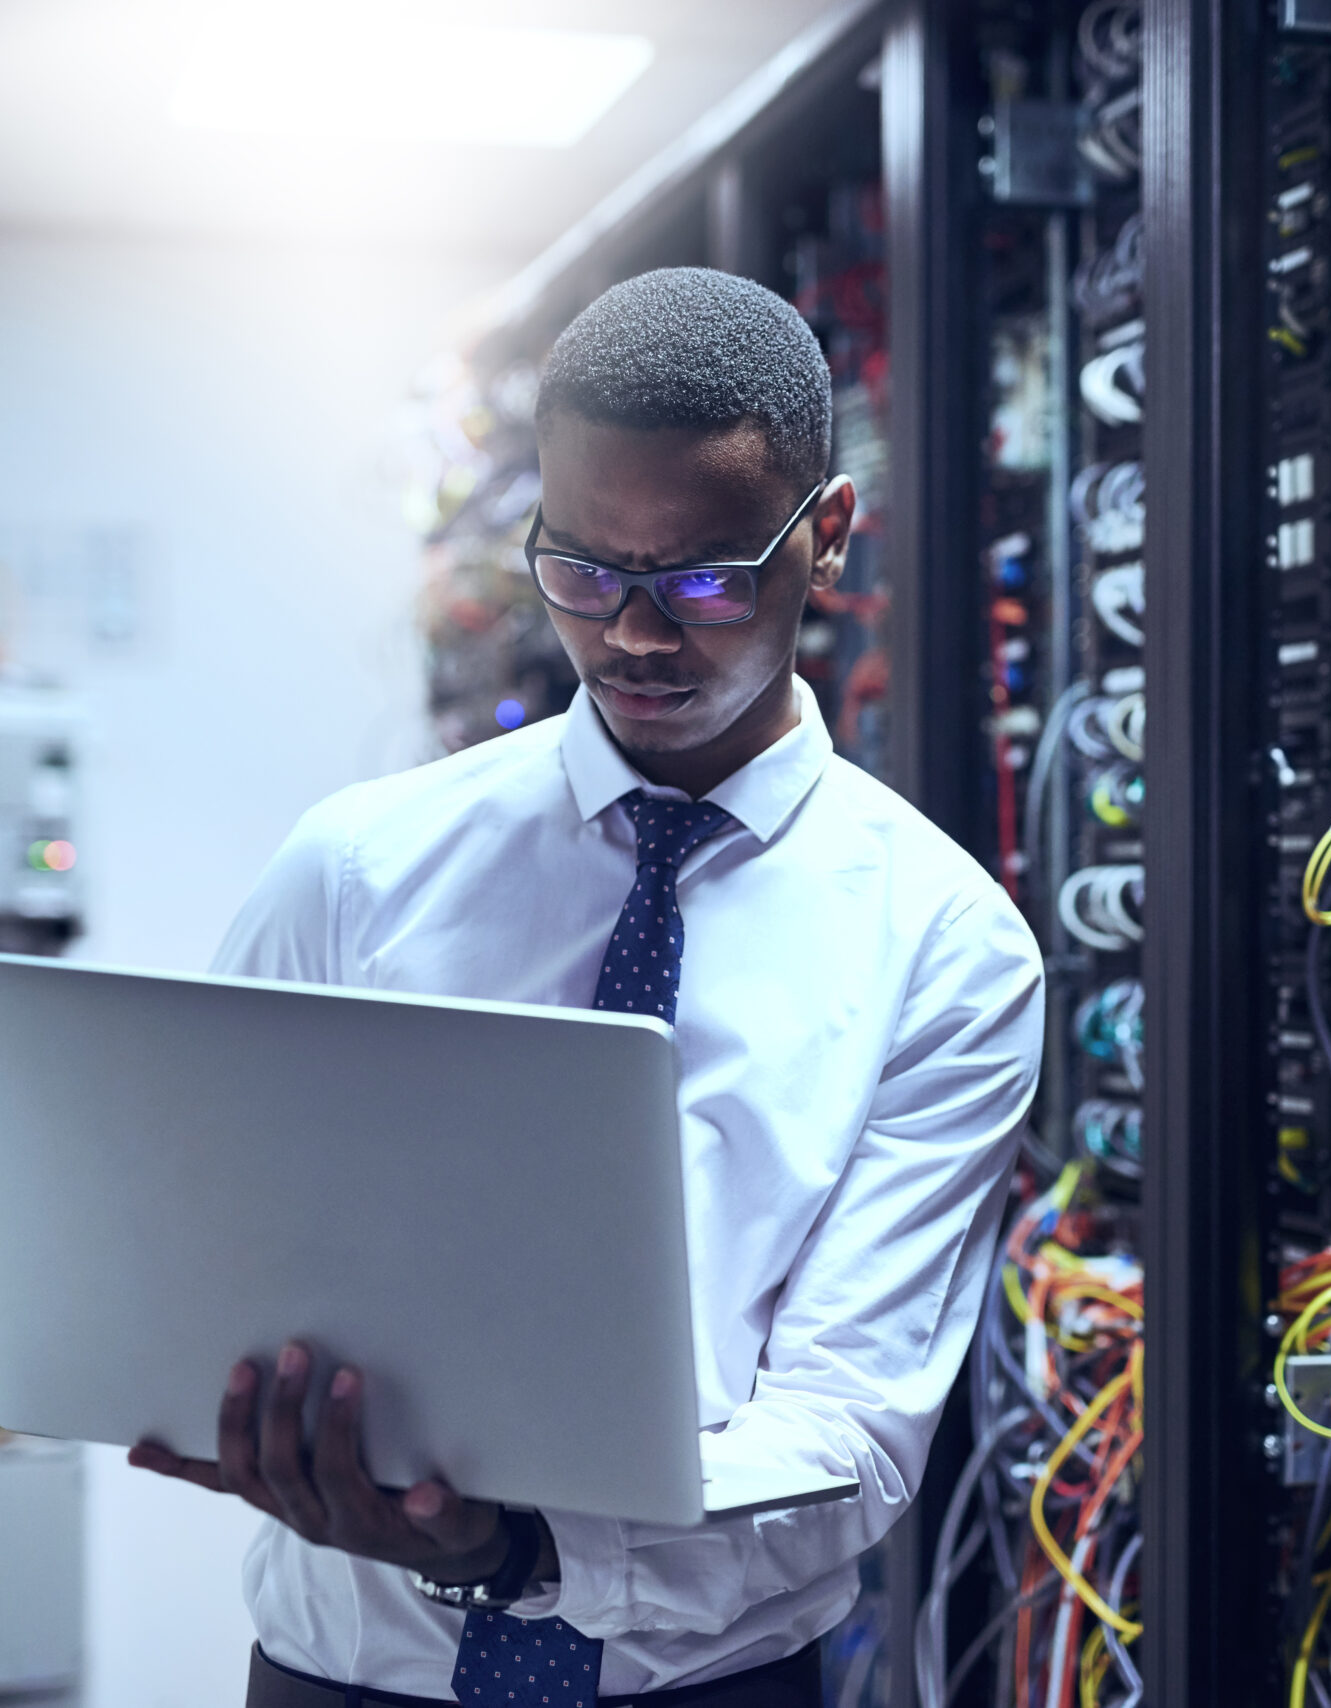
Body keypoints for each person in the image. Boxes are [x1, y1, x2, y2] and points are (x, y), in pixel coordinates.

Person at [128, 267, 1046, 1708]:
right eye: (583, 571)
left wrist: (524, 1549)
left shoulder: (943, 946)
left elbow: (852, 1432)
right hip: (340, 1681)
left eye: (703, 578)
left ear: (832, 537)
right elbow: (196, 1233)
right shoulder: (360, 867)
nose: (632, 633)